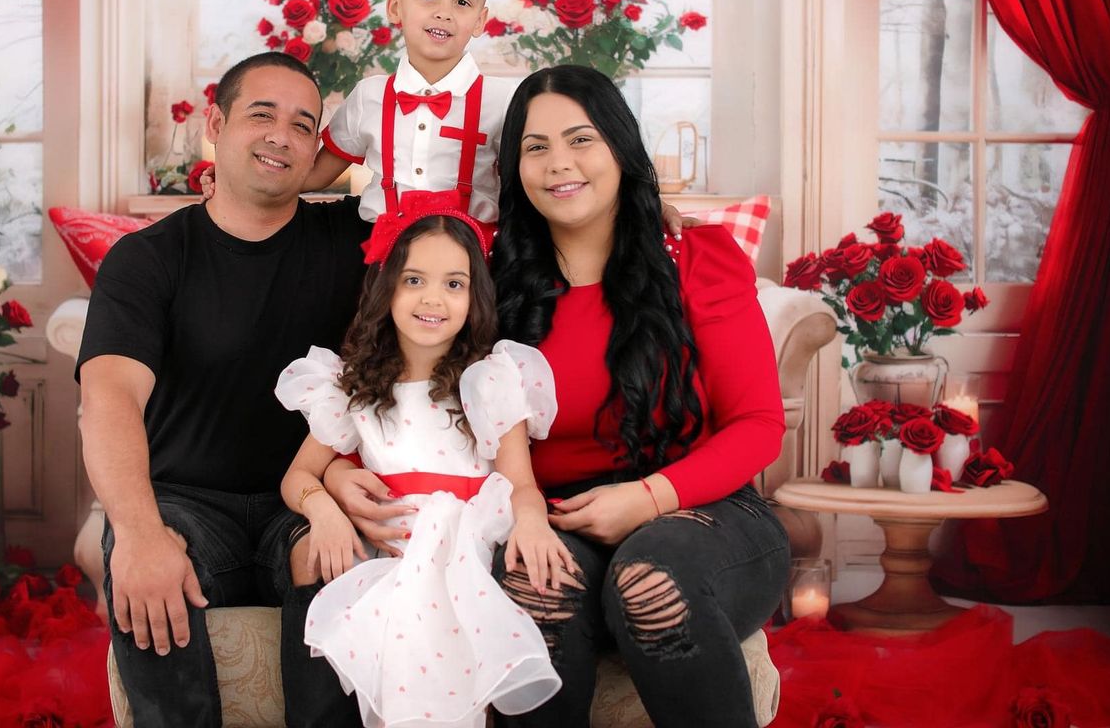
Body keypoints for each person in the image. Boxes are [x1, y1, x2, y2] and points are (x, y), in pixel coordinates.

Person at [328, 65, 789, 728]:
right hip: (546, 522)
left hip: (699, 512)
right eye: (534, 148)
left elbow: (756, 425)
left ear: (620, 150)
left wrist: (647, 498)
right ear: (511, 169)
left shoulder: (695, 256)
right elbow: (390, 390)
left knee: (650, 582)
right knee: (533, 585)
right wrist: (337, 478)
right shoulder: (482, 276)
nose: (558, 164)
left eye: (581, 140)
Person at [76, 51, 378, 728]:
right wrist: (136, 531)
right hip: (185, 501)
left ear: (316, 149)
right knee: (151, 574)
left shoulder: (354, 241)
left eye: (303, 125)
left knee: (339, 564)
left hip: (305, 498)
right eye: (261, 114)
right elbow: (109, 399)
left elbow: (466, 222)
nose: (281, 135)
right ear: (215, 123)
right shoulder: (149, 258)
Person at [276, 194, 570, 728]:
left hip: (462, 553)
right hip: (384, 551)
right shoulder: (353, 386)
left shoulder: (491, 379)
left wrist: (532, 521)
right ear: (387, 287)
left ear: (475, 296)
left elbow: (520, 482)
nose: (432, 298)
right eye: (414, 280)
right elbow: (297, 475)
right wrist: (322, 510)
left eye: (454, 284)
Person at [201, 0, 516, 224]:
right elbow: (312, 175)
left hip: (474, 260)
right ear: (395, 7)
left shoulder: (504, 101)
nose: (443, 13)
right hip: (381, 259)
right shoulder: (369, 96)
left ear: (479, 21)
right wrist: (234, 178)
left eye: (462, 2)